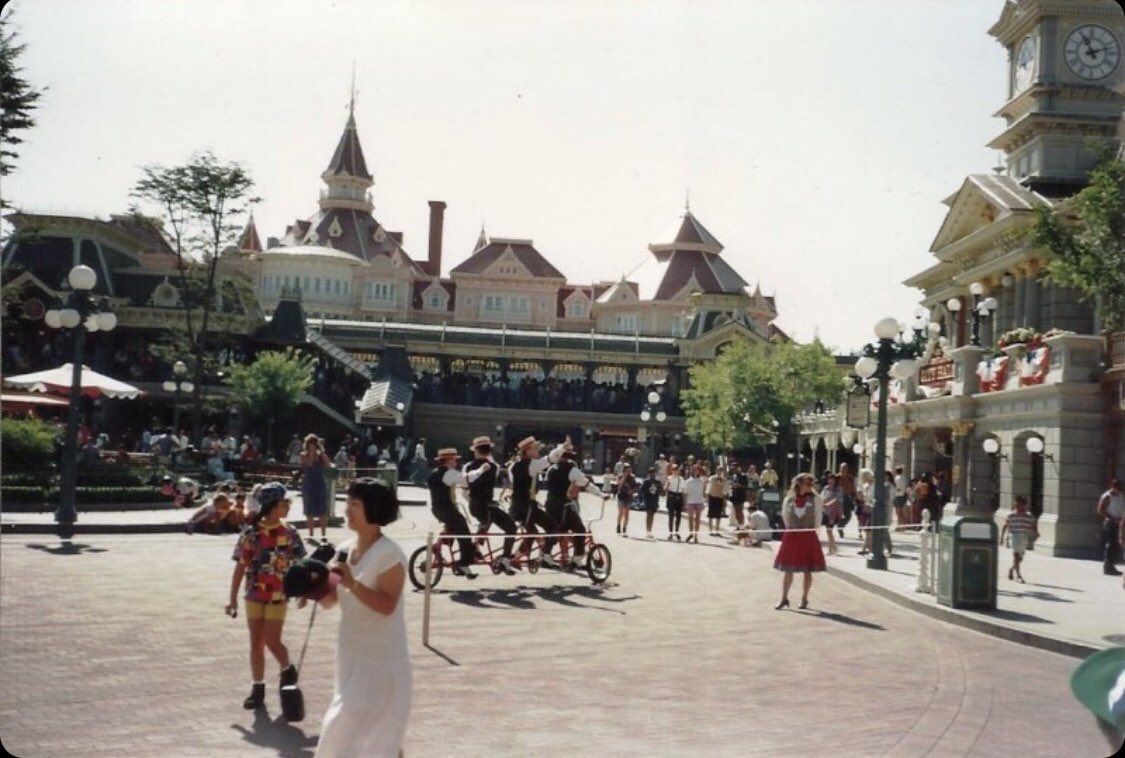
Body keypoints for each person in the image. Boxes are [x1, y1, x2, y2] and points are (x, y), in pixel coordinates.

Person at [314, 477, 411, 758]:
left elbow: (386, 606)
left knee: (347, 731)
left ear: (374, 509)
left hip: (382, 661)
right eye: (347, 503)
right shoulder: (344, 548)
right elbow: (332, 600)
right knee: (360, 735)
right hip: (351, 655)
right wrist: (312, 589)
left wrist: (353, 584)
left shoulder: (389, 555)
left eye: (354, 504)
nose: (347, 510)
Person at [225, 482, 306, 710]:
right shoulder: (251, 533)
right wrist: (232, 598)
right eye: (285, 503)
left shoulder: (290, 532)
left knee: (272, 640)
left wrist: (304, 592)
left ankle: (287, 668)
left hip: (278, 594)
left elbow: (302, 565)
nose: (288, 506)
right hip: (254, 594)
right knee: (256, 643)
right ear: (272, 505)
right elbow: (241, 566)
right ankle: (257, 688)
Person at [463, 436, 519, 575]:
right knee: (511, 527)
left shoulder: (468, 467)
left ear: (475, 451)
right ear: (489, 451)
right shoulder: (493, 467)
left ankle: (476, 547)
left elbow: (464, 487)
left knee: (485, 521)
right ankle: (505, 558)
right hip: (486, 505)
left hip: (474, 504)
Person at [544, 439, 606, 563]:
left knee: (556, 530)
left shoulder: (551, 469)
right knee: (580, 530)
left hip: (550, 504)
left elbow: (547, 484)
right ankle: (577, 557)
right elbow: (587, 485)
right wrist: (601, 494)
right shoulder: (572, 470)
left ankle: (546, 555)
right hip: (564, 505)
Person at [508, 437, 566, 568]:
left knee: (532, 533)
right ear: (527, 451)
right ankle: (545, 556)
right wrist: (562, 448)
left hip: (517, 506)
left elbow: (517, 485)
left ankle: (515, 557)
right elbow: (549, 460)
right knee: (552, 527)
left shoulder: (513, 466)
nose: (538, 450)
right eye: (535, 448)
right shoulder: (531, 464)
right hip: (527, 506)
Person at [773, 473, 825, 609]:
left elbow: (818, 518)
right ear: (799, 484)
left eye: (811, 484)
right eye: (807, 484)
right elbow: (785, 516)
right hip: (792, 536)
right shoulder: (789, 499)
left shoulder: (816, 500)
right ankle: (784, 598)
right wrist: (792, 529)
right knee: (787, 569)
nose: (810, 487)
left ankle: (804, 598)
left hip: (808, 536)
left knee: (807, 569)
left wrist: (811, 530)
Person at [427, 448, 480, 578]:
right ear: (449, 461)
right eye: (455, 460)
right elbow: (467, 479)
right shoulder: (449, 473)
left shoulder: (434, 473)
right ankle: (464, 563)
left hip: (437, 508)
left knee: (452, 528)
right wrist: (481, 470)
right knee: (464, 532)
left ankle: (437, 547)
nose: (456, 462)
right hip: (447, 508)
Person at [300, 434, 332, 539]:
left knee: (322, 509)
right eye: (310, 444)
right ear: (307, 445)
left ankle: (323, 534)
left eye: (314, 444)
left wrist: (322, 452)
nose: (312, 446)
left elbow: (328, 464)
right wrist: (312, 454)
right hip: (309, 483)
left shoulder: (320, 455)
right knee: (309, 509)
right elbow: (309, 464)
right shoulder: (303, 455)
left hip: (320, 482)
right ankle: (311, 534)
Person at [1002, 495, 1039, 583]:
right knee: (1016, 556)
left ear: (1024, 505)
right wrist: (1002, 537)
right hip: (1014, 536)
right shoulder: (1011, 515)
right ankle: (1018, 576)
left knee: (1020, 558)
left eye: (1019, 503)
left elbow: (1033, 525)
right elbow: (1005, 525)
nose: (1017, 504)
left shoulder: (1029, 516)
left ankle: (1011, 569)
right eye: (1016, 502)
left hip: (1024, 537)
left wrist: (1036, 533)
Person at [1097, 477, 1123, 576]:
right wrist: (1112, 518)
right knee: (1110, 545)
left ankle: (1112, 565)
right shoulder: (1107, 496)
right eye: (1117, 487)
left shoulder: (1120, 495)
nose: (1118, 489)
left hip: (1119, 522)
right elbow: (1100, 510)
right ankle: (1107, 567)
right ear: (1112, 487)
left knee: (1116, 545)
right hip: (1110, 523)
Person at [682, 463, 706, 544]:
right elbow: (685, 493)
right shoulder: (688, 481)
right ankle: (691, 533)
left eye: (697, 470)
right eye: (694, 470)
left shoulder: (701, 481)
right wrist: (685, 503)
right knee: (690, 518)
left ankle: (696, 536)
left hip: (699, 501)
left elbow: (703, 492)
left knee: (698, 519)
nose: (696, 471)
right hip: (690, 501)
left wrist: (703, 502)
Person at [820, 473, 843, 556]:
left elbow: (837, 499)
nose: (831, 481)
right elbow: (821, 497)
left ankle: (831, 548)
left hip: (834, 512)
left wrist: (828, 504)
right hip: (826, 512)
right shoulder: (826, 488)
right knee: (828, 530)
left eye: (833, 479)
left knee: (829, 529)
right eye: (829, 479)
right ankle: (833, 548)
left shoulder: (838, 489)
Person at [614, 463, 638, 536]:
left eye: (630, 470)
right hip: (621, 496)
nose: (629, 472)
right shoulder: (620, 476)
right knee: (620, 513)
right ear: (624, 470)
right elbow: (619, 485)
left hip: (628, 496)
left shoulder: (632, 477)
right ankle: (618, 525)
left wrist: (632, 491)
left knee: (626, 514)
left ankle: (624, 529)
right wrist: (624, 477)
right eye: (627, 470)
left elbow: (635, 487)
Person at [639, 466, 662, 540]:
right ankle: (648, 531)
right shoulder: (646, 481)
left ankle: (650, 530)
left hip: (654, 500)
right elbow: (642, 490)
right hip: (648, 499)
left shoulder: (657, 482)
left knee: (652, 515)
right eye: (651, 472)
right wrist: (648, 491)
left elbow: (660, 491)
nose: (653, 474)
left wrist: (658, 492)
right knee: (648, 514)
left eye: (654, 472)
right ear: (649, 473)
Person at [705, 466, 728, 537]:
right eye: (718, 470)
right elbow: (708, 488)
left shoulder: (724, 480)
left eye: (721, 471)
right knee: (711, 514)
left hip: (719, 497)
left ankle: (717, 530)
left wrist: (725, 499)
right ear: (716, 471)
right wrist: (707, 498)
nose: (719, 472)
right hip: (712, 496)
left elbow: (725, 490)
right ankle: (710, 530)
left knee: (718, 515)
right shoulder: (711, 478)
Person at [664, 463, 685, 541]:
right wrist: (666, 487)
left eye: (676, 470)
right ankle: (670, 533)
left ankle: (676, 531)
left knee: (678, 516)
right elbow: (665, 488)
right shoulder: (669, 478)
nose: (675, 472)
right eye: (673, 470)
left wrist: (684, 502)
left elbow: (683, 490)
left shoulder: (681, 479)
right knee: (671, 516)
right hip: (671, 496)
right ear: (672, 471)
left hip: (678, 496)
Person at [837, 462, 856, 539]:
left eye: (845, 468)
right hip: (838, 498)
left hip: (847, 498)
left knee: (848, 515)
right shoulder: (837, 477)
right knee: (838, 514)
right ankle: (839, 528)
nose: (844, 470)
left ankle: (840, 526)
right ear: (840, 469)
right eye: (842, 468)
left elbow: (853, 488)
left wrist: (854, 497)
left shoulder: (850, 478)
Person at [892, 465, 909, 530]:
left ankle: (899, 526)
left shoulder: (896, 478)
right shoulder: (904, 478)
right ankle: (902, 526)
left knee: (898, 512)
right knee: (902, 512)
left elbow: (897, 488)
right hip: (903, 495)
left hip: (898, 496)